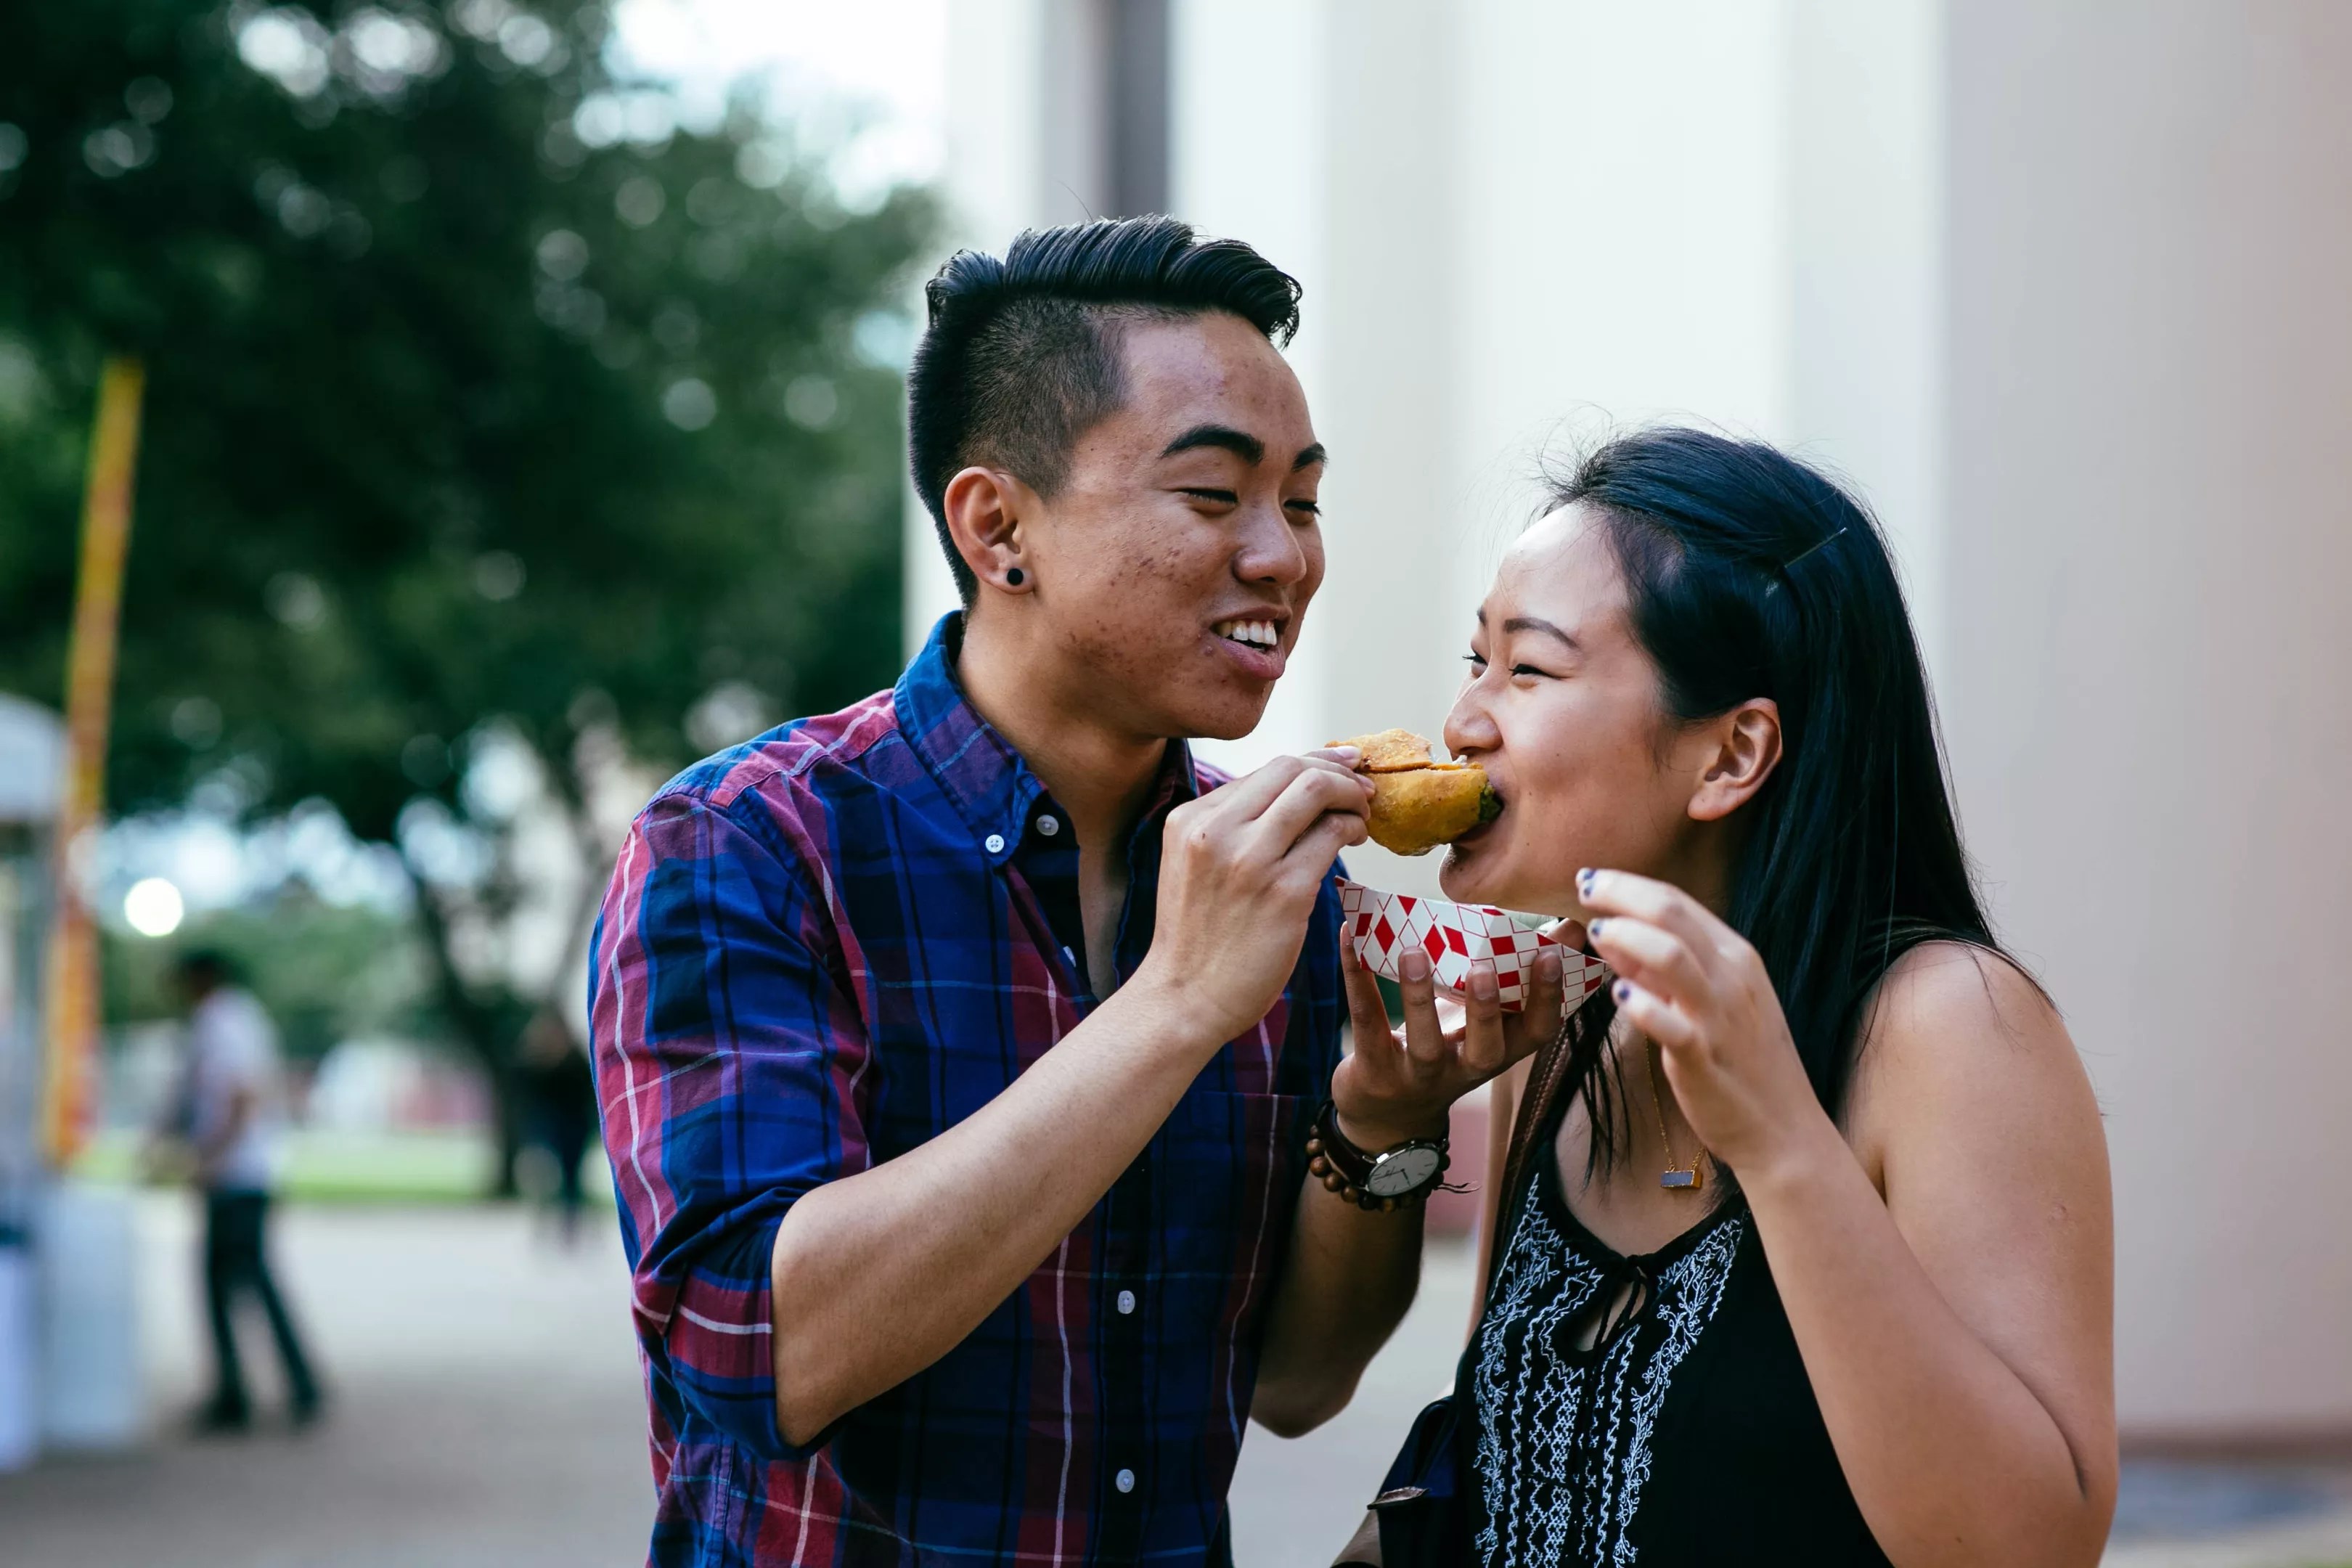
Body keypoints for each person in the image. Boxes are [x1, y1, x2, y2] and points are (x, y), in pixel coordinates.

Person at [588, 216, 1552, 1566]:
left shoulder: (1273, 870)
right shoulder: (746, 843)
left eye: (1303, 501)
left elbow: (1295, 1382)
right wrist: (1173, 1005)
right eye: (1213, 495)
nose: (1283, 558)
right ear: (999, 528)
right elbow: (754, 1350)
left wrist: (1379, 1128)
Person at [1347, 429, 2115, 1566]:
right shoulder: (1557, 1027)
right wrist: (1383, 1122)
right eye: (1476, 662)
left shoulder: (1947, 1027)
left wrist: (1783, 1144)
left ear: (1731, 756)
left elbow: (2031, 1549)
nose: (1464, 723)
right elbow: (1475, 1471)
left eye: (1530, 670)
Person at [155, 949, 322, 1434]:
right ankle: (281, 1386)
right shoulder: (237, 1020)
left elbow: (242, 1097)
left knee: (232, 1283)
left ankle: (248, 1393)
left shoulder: (223, 1022)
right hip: (245, 1172)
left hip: (238, 1175)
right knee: (247, 1281)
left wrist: (211, 1158)